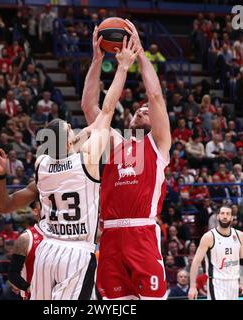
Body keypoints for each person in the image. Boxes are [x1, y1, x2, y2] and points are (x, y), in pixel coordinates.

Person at [0, 34, 139, 300]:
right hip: (76, 253)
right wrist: (123, 67)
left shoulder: (42, 166)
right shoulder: (88, 159)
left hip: (46, 250)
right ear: (70, 140)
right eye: (72, 130)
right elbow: (106, 111)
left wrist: (1, 176)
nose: (77, 130)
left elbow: (4, 206)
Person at [82, 21, 171, 300]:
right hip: (109, 235)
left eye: (147, 112)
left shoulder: (158, 145)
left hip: (141, 232)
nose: (143, 111)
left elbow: (155, 96)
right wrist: (97, 60)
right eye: (139, 111)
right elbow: (89, 106)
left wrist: (140, 54)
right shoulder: (113, 143)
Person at [188, 205, 243, 300]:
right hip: (216, 282)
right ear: (217, 216)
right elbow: (196, 262)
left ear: (232, 217)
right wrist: (193, 287)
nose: (225, 216)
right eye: (222, 213)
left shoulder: (240, 235)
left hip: (234, 282)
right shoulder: (209, 237)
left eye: (228, 214)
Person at [7, 210, 43, 299]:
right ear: (36, 212)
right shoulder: (26, 238)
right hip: (33, 296)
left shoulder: (61, 236)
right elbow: (12, 273)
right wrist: (27, 287)